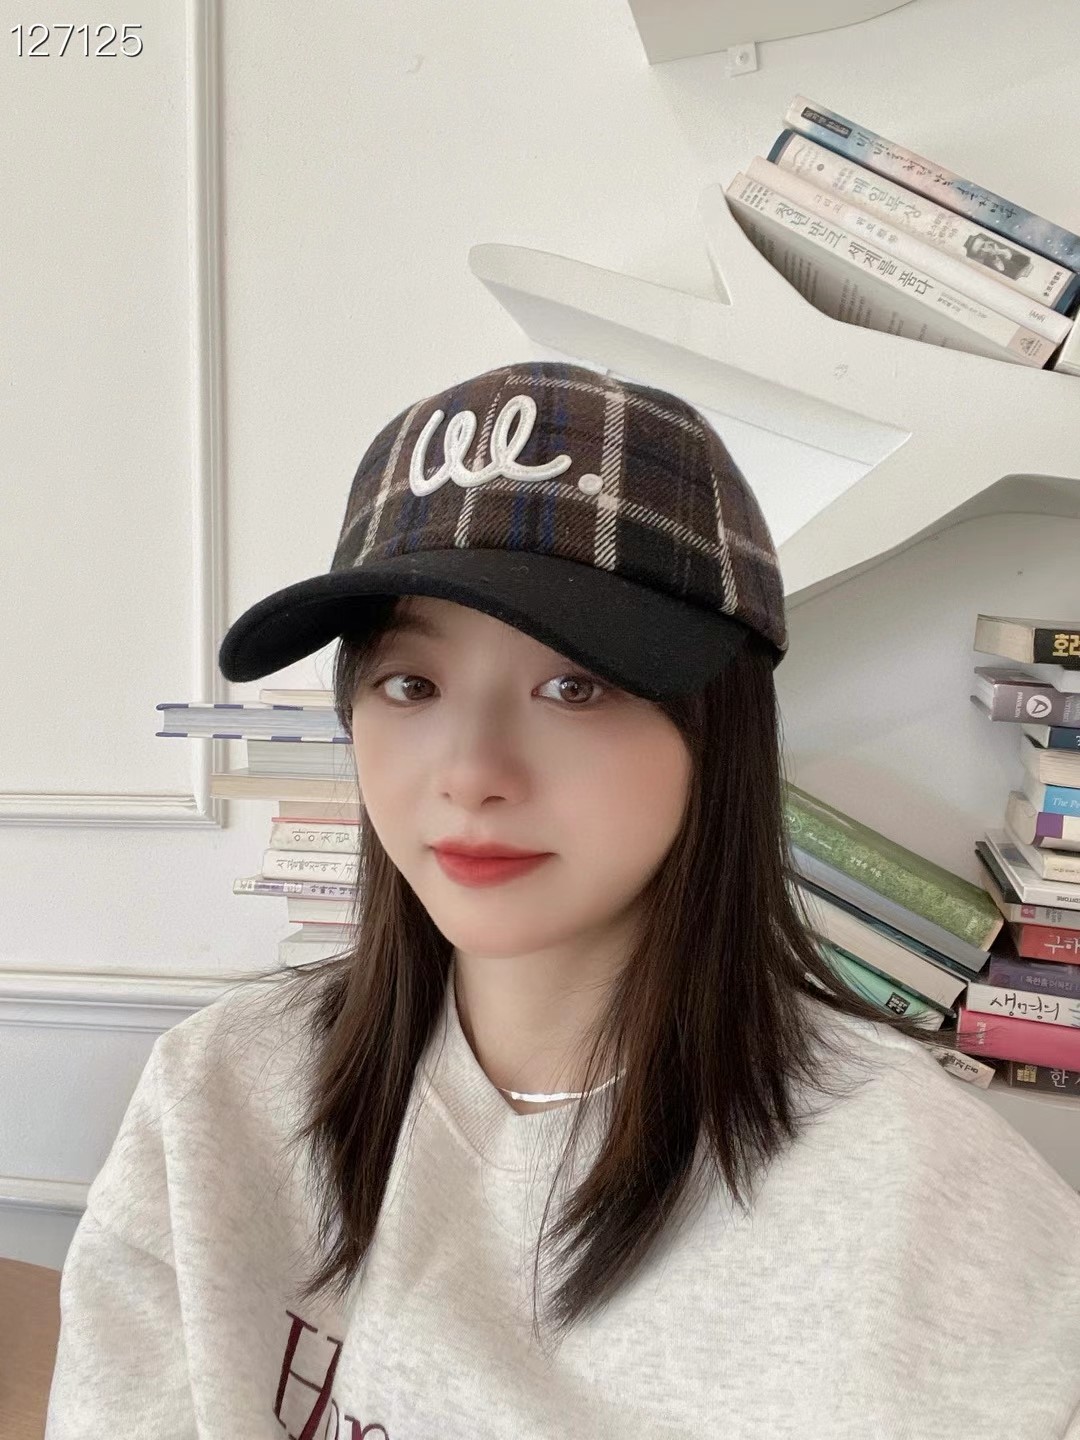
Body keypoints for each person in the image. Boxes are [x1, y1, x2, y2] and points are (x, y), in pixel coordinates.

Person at [45, 360, 1080, 1438]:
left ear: (716, 728)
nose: (471, 772)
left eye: (573, 686)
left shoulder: (919, 1195)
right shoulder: (220, 1093)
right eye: (411, 684)